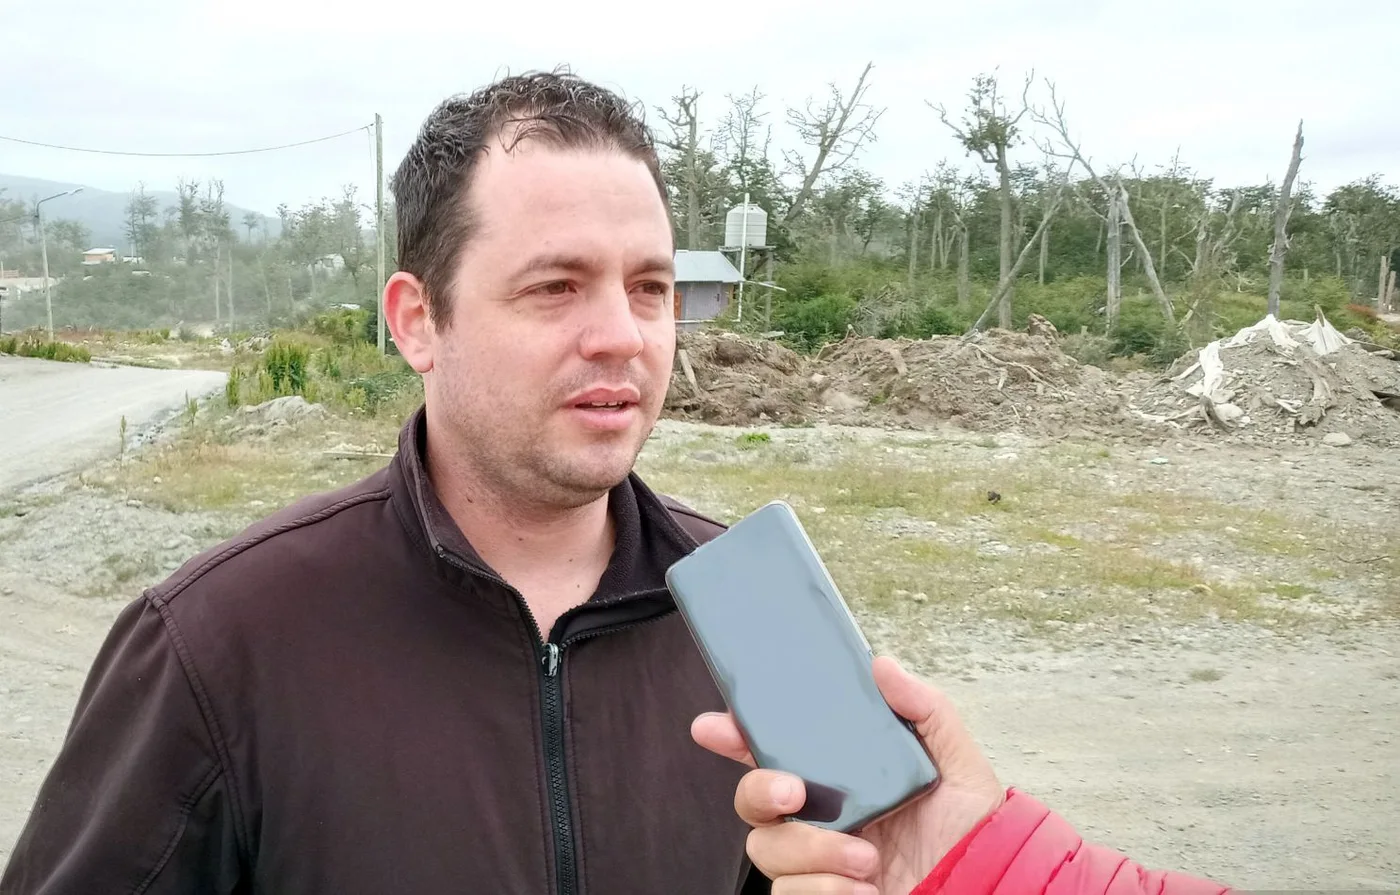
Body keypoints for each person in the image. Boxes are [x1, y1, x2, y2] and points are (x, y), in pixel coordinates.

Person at [0, 69, 1231, 895]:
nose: (624, 336)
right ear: (416, 321)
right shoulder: (220, 637)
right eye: (556, 286)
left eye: (649, 287)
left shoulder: (753, 615)